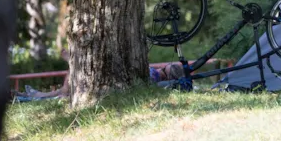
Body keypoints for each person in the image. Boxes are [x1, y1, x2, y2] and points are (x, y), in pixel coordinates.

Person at [14, 63, 186, 101]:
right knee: (70, 78)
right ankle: (39, 95)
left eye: (166, 69)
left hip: (109, 85)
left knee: (69, 81)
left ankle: (38, 95)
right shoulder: (155, 76)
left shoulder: (154, 77)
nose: (162, 69)